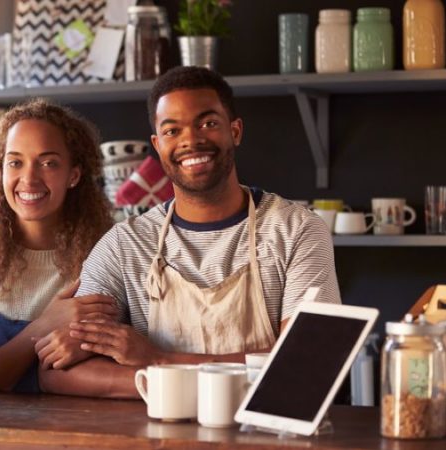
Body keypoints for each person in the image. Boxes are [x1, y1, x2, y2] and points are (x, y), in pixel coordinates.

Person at [35, 67, 342, 398]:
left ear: (235, 131)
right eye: (171, 130)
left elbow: (311, 364)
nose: (190, 140)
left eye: (208, 123)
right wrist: (176, 383)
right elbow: (57, 372)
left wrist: (160, 361)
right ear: (157, 143)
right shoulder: (125, 245)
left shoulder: (297, 231)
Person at [0, 98, 116, 393]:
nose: (29, 179)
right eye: (15, 162)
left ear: (74, 175)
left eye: (48, 163)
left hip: (75, 431)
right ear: (1, 171)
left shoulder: (107, 251)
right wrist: (45, 326)